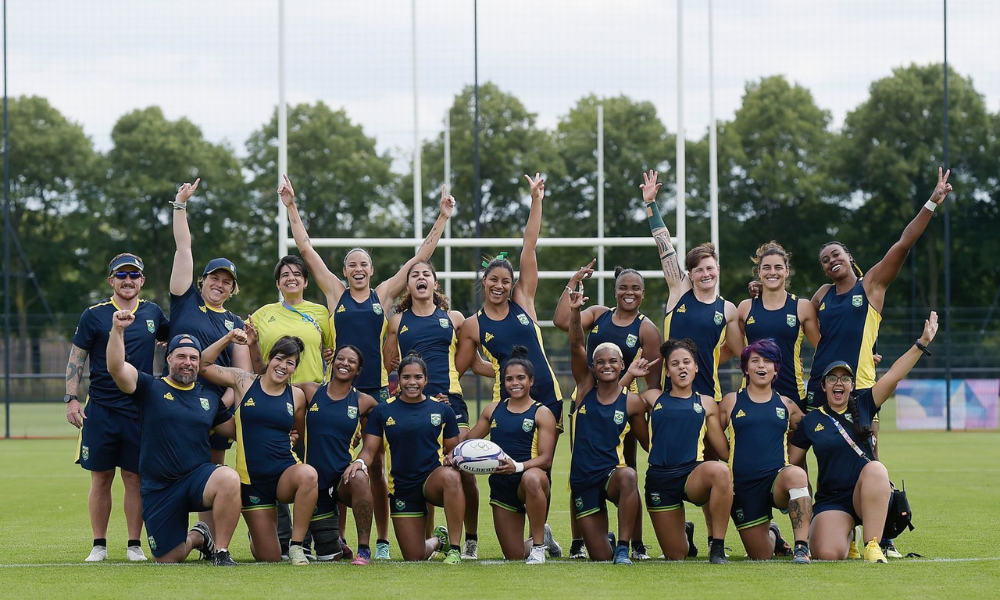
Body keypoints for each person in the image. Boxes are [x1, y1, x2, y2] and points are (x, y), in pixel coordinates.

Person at [280, 174, 454, 560]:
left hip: (374, 393)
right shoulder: (336, 294)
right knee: (338, 463)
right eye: (351, 264)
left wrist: (441, 218)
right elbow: (306, 249)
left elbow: (419, 258)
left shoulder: (383, 295)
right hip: (337, 391)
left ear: (372, 271)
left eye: (364, 264)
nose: (358, 269)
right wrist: (291, 206)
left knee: (375, 468)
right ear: (344, 272)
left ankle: (380, 541)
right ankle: (338, 539)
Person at [455, 173, 565, 559]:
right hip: (508, 403)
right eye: (493, 280)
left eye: (506, 280)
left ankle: (537, 537)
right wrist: (504, 376)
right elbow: (464, 367)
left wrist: (536, 200)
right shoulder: (473, 324)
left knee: (537, 473)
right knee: (503, 468)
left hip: (547, 398)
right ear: (483, 282)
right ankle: (540, 538)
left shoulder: (524, 302)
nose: (500, 285)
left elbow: (529, 245)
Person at [641, 168, 742, 549]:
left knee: (719, 466)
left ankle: (719, 534)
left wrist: (711, 361)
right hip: (671, 399)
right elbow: (664, 246)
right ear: (691, 273)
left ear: (718, 271)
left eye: (710, 268)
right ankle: (677, 525)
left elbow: (736, 349)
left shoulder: (728, 308)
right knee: (670, 459)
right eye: (698, 268)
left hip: (708, 399)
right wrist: (652, 205)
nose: (704, 273)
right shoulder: (677, 289)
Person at [790, 312, 938, 564]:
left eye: (845, 378)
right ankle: (850, 536)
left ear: (851, 384)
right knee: (827, 554)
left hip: (866, 494)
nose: (839, 383)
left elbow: (893, 376)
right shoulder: (810, 421)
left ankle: (873, 543)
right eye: (833, 378)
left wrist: (921, 343)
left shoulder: (865, 405)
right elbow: (793, 466)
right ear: (824, 385)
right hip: (832, 499)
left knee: (877, 469)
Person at [807, 168, 952, 408]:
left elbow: (904, 243)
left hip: (860, 386)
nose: (831, 260)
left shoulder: (871, 285)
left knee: (865, 445)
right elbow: (794, 316)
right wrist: (762, 287)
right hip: (821, 383)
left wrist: (931, 202)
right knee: (807, 443)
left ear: (849, 257)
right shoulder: (821, 294)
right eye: (825, 260)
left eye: (835, 255)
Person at [106, 317, 241, 566]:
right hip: (160, 487)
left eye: (193, 358)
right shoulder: (149, 388)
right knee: (168, 558)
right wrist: (117, 331)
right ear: (168, 358)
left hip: (197, 480)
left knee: (229, 477)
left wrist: (281, 432)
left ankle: (221, 551)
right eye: (181, 356)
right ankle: (199, 536)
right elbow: (116, 367)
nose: (187, 363)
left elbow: (236, 430)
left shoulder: (209, 398)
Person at [383, 260, 494, 559]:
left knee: (463, 464)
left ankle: (468, 539)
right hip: (414, 405)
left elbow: (476, 361)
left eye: (426, 274)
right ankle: (431, 538)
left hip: (451, 401)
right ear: (408, 286)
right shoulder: (398, 321)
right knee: (423, 468)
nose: (421, 278)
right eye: (414, 275)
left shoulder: (455, 318)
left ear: (435, 283)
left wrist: (510, 374)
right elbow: (390, 363)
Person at [64, 253, 169, 562]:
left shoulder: (152, 312)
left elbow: (172, 339)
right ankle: (99, 545)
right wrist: (70, 398)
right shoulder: (94, 314)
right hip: (102, 409)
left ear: (142, 281)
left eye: (133, 275)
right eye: (121, 275)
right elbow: (77, 357)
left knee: (135, 478)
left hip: (140, 409)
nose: (128, 280)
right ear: (111, 280)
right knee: (101, 477)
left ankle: (134, 545)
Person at [553, 262, 661, 560]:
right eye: (623, 287)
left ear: (643, 293)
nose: (629, 292)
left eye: (635, 288)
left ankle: (633, 543)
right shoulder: (600, 314)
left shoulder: (647, 329)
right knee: (583, 464)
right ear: (615, 291)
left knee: (628, 472)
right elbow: (567, 328)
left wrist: (635, 400)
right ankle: (581, 541)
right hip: (590, 395)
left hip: (625, 404)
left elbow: (653, 385)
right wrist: (573, 285)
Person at [166, 178, 251, 532]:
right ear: (201, 280)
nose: (220, 284)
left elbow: (241, 373)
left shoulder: (233, 321)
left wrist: (225, 404)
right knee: (174, 464)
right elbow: (184, 248)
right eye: (214, 278)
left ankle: (209, 534)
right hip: (177, 397)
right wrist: (181, 205)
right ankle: (164, 530)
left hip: (216, 405)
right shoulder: (185, 299)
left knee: (214, 467)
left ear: (233, 289)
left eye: (227, 281)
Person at [200, 332, 318, 566]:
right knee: (269, 557)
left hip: (284, 473)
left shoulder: (296, 396)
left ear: (295, 368)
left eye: (290, 363)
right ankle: (257, 533)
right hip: (252, 482)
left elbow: (302, 435)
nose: (283, 366)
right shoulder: (244, 381)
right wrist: (228, 339)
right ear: (270, 358)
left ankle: (296, 546)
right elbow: (203, 365)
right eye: (280, 358)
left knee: (308, 474)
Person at [343, 353, 465, 564]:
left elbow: (453, 450)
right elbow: (370, 450)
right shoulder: (383, 410)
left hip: (432, 480)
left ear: (426, 380)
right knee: (414, 555)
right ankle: (439, 540)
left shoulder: (442, 409)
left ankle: (455, 548)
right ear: (398, 380)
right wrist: (359, 462)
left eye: (418, 377)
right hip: (402, 487)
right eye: (406, 377)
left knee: (452, 477)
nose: (412, 382)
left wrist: (451, 458)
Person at [249, 253, 332, 558]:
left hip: (313, 403)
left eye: (297, 274)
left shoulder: (321, 313)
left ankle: (320, 542)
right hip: (275, 400)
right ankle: (285, 540)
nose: (291, 278)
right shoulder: (261, 315)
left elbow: (336, 351)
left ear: (306, 281)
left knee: (315, 468)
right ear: (278, 282)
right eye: (285, 275)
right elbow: (252, 354)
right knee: (280, 463)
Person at [621, 339, 732, 564]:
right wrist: (630, 375)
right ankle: (686, 536)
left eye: (686, 362)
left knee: (721, 471)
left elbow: (724, 451)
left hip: (692, 474)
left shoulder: (707, 403)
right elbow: (613, 400)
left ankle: (717, 547)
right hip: (660, 478)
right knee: (677, 555)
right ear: (667, 371)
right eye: (675, 363)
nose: (681, 367)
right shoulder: (653, 397)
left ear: (696, 367)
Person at [566, 287, 649, 565]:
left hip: (610, 475)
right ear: (593, 365)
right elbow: (577, 344)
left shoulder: (633, 403)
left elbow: (648, 444)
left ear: (622, 364)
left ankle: (624, 546)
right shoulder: (585, 387)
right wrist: (576, 312)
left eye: (613, 361)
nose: (607, 365)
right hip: (583, 480)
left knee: (628, 477)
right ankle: (608, 542)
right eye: (600, 361)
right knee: (600, 556)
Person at [719, 339, 812, 564]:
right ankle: (774, 534)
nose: (762, 366)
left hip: (776, 481)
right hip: (744, 486)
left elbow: (809, 430)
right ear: (745, 368)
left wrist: (793, 457)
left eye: (768, 361)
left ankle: (801, 547)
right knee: (761, 555)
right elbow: (710, 434)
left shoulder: (786, 404)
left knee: (797, 475)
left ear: (776, 368)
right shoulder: (731, 401)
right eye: (755, 361)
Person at [466, 346, 558, 564]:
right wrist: (455, 454)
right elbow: (469, 440)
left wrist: (516, 467)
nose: (515, 383)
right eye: (509, 379)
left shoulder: (542, 412)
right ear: (503, 382)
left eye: (520, 378)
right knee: (513, 555)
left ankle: (537, 548)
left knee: (533, 477)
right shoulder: (493, 410)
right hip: (501, 482)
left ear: (531, 381)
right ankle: (543, 537)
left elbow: (546, 459)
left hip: (529, 479)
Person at [296, 345, 378, 565]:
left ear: (358, 370)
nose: (345, 363)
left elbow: (392, 417)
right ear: (332, 363)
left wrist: (360, 461)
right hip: (312, 482)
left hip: (342, 477)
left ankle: (364, 550)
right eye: (340, 358)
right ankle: (333, 541)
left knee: (360, 476)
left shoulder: (364, 401)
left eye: (352, 361)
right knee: (328, 557)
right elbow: (272, 389)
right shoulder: (310, 390)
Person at [739, 241, 820, 409]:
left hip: (792, 394)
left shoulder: (802, 307)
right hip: (751, 395)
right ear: (759, 272)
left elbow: (823, 348)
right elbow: (728, 348)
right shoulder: (745, 308)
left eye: (778, 267)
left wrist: (861, 357)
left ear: (787, 271)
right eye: (767, 267)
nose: (772, 272)